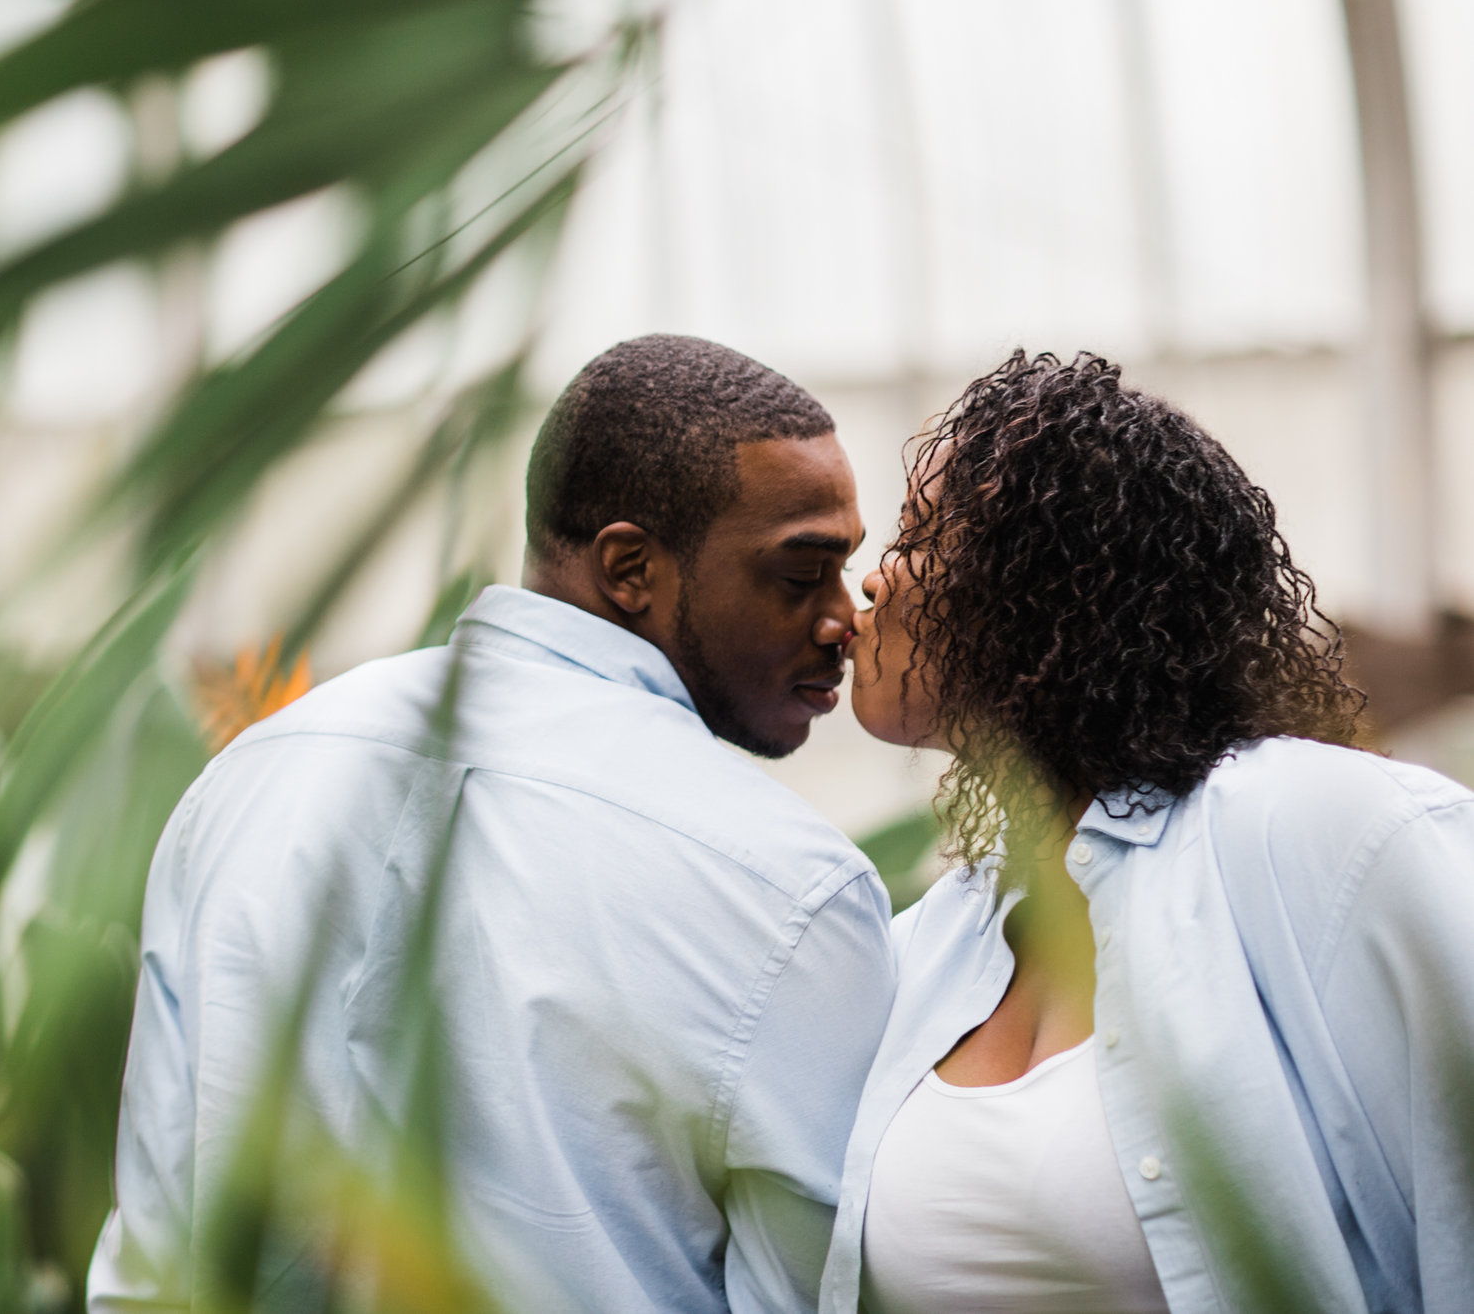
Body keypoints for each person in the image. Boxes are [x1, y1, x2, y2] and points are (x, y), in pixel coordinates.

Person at [87, 335, 895, 1314]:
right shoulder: (788, 884)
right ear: (630, 567)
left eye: (845, 571)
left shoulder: (252, 776)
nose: (842, 619)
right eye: (800, 572)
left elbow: (153, 1255)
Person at [822, 352, 1474, 1314]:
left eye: (920, 535)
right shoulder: (925, 945)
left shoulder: (1322, 832)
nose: (873, 580)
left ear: (1038, 584)